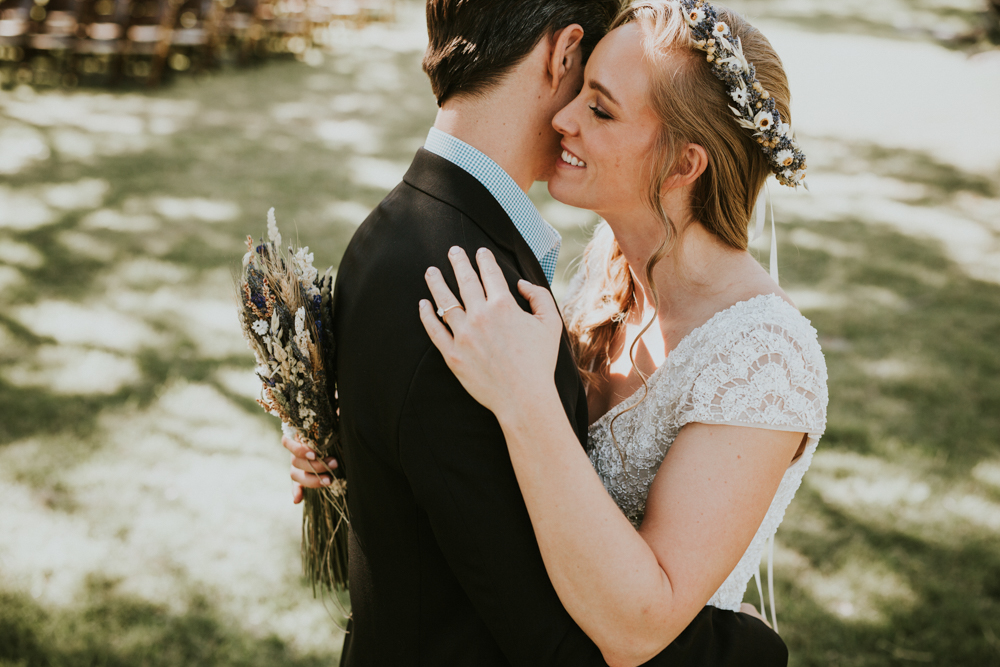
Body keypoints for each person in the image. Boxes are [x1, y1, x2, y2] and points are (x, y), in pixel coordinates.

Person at [283, 0, 787, 664]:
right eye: (593, 90)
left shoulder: (403, 236)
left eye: (603, 109)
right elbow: (551, 636)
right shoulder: (469, 291)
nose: (568, 120)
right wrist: (744, 647)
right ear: (564, 52)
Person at [412, 1, 829, 666]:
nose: (561, 118)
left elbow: (640, 628)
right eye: (579, 91)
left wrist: (526, 400)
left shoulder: (765, 360)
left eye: (599, 110)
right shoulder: (606, 273)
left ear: (683, 164)